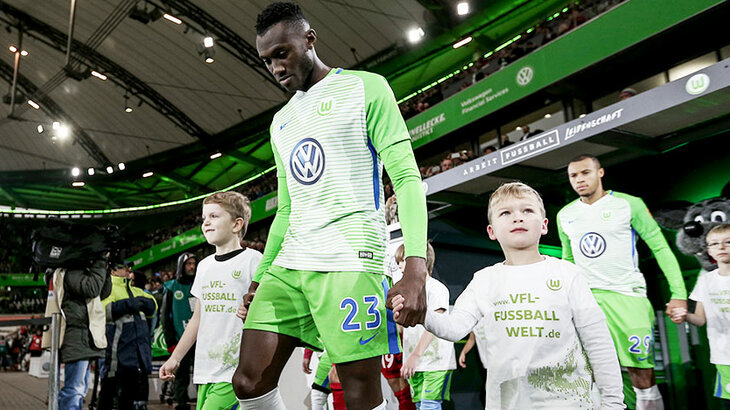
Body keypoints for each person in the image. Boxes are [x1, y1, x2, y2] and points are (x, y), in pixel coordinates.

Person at [233, 3, 428, 410]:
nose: (276, 67)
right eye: (267, 61)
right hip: (290, 265)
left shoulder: (366, 87)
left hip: (350, 261)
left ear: (309, 40)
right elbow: (286, 209)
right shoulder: (280, 122)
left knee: (357, 394)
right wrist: (262, 275)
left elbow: (407, 178)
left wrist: (415, 266)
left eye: (282, 53)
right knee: (248, 382)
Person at [392, 182, 624, 408]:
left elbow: (598, 342)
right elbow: (454, 328)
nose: (518, 217)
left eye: (527, 210)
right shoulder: (484, 280)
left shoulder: (568, 274)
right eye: (505, 212)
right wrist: (422, 314)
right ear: (491, 231)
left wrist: (614, 403)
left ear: (544, 225)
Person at [557, 154, 687, 410]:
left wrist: (679, 292)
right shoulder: (566, 215)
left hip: (627, 296)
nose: (580, 179)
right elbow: (567, 260)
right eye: (574, 175)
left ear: (600, 173)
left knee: (641, 373)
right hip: (587, 300)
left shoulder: (630, 204)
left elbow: (660, 247)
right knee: (594, 373)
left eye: (585, 173)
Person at [159, 192, 262, 410]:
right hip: (205, 370)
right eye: (204, 217)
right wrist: (176, 358)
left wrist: (254, 308)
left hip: (237, 370)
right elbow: (198, 317)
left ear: (237, 225)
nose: (206, 222)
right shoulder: (204, 266)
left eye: (214, 216)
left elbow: (265, 307)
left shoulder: (253, 260)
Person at [670, 224, 730, 408]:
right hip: (723, 358)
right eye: (714, 244)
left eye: (727, 242)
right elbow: (700, 319)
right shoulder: (705, 280)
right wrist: (683, 315)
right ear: (708, 250)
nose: (721, 247)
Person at [399, 243, 455, 410]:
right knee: (419, 405)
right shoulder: (407, 291)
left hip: (436, 361)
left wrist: (415, 355)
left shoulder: (437, 289)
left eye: (403, 260)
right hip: (414, 361)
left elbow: (435, 325)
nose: (401, 266)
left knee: (429, 406)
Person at [99, 260, 157, 410]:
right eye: (124, 267)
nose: (129, 270)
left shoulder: (135, 290)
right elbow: (104, 311)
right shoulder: (108, 289)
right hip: (116, 357)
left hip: (137, 356)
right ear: (112, 271)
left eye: (129, 268)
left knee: (128, 400)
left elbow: (153, 305)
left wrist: (134, 302)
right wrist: (129, 304)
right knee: (108, 396)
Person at [160, 252, 198, 410]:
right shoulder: (171, 287)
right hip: (179, 340)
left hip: (201, 340)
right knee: (181, 376)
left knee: (201, 375)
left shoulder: (201, 285)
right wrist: (170, 342)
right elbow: (165, 317)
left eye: (194, 263)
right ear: (181, 266)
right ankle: (181, 403)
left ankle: (203, 403)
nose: (192, 267)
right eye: (188, 264)